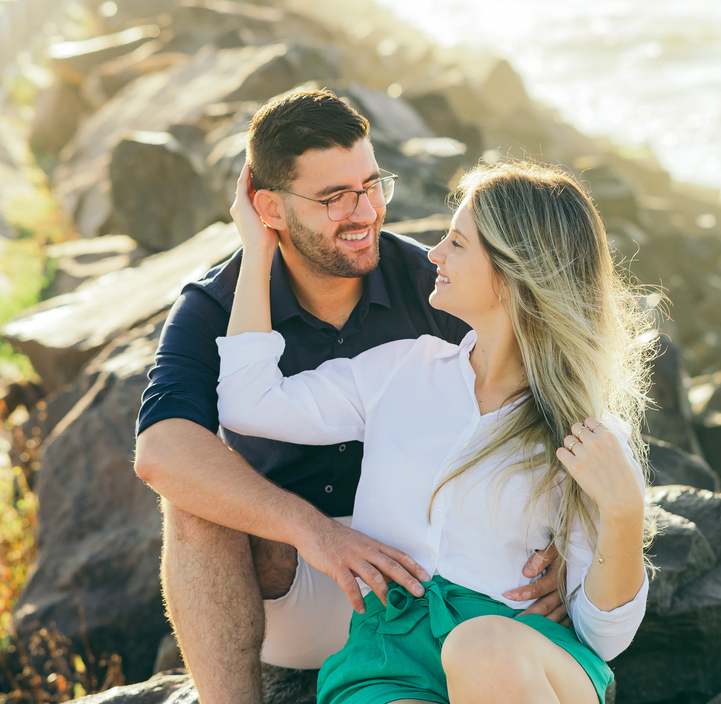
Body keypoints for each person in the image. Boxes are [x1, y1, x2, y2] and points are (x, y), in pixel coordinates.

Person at [133, 90, 568, 704]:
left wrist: (573, 544)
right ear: (269, 208)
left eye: (370, 185)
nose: (364, 211)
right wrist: (313, 531)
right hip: (295, 586)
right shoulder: (214, 304)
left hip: (436, 586)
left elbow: (552, 392)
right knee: (193, 502)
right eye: (333, 197)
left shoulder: (437, 288)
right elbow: (161, 452)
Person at [215, 160, 655, 703]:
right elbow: (249, 403)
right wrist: (258, 251)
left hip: (518, 653)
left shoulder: (585, 432)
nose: (434, 255)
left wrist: (624, 514)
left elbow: (605, 636)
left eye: (457, 243)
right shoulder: (401, 370)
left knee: (480, 648)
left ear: (513, 272)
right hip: (390, 658)